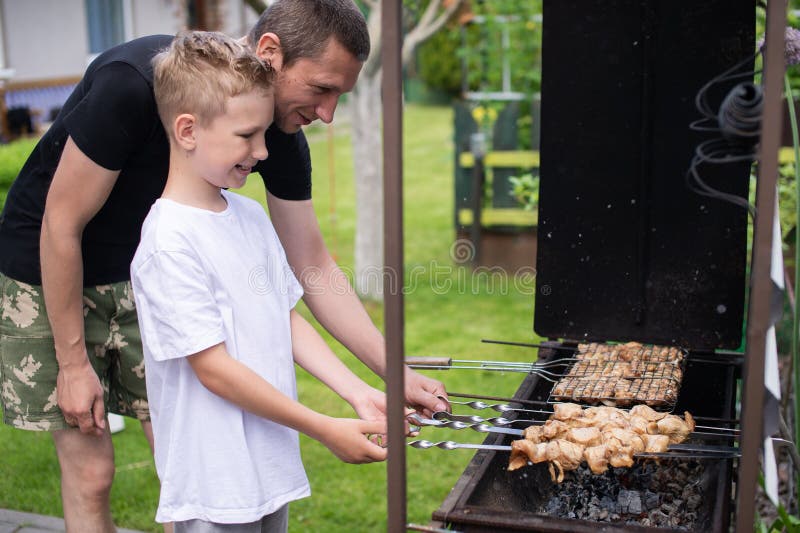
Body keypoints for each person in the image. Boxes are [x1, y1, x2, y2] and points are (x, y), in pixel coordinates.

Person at [0, 0, 446, 531]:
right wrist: (73, 366)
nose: (327, 114)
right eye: (322, 88)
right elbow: (60, 224)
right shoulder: (132, 85)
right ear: (271, 53)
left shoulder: (267, 142)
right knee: (91, 473)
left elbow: (312, 265)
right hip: (51, 263)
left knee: (182, 463)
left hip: (156, 276)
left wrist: (389, 372)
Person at [131, 30, 388, 531]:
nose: (263, 151)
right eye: (246, 136)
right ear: (188, 131)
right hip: (216, 486)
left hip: (267, 468)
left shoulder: (248, 216)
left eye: (264, 134)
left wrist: (357, 391)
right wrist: (324, 428)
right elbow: (214, 370)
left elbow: (284, 320)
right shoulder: (168, 242)